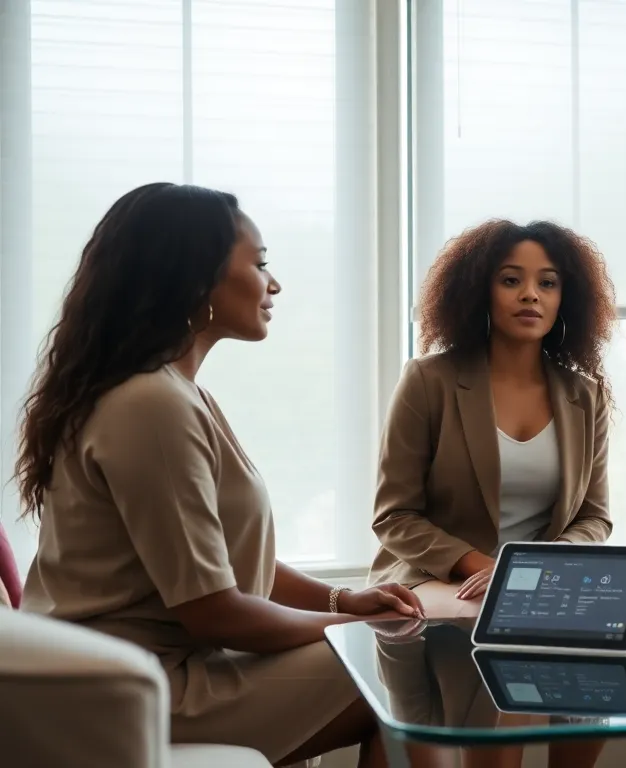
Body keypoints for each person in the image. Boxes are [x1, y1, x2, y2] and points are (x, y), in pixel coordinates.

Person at [15, 183, 426, 768]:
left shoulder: (177, 394)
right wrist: (358, 628)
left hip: (165, 672)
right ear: (195, 278)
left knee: (401, 661)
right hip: (136, 691)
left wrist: (346, 600)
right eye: (259, 264)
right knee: (405, 665)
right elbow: (214, 610)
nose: (274, 284)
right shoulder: (150, 405)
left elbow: (221, 562)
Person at [368, 218, 617, 768]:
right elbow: (394, 516)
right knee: (514, 633)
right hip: (434, 576)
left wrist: (538, 566)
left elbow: (594, 518)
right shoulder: (429, 380)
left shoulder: (584, 395)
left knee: (589, 648)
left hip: (540, 578)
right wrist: (490, 567)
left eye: (547, 282)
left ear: (566, 299)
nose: (530, 294)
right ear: (479, 289)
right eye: (511, 280)